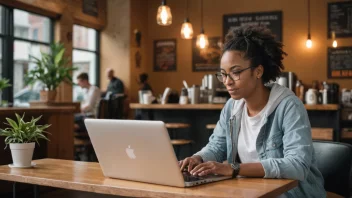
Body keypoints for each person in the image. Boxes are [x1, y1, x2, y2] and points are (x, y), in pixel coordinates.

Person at [179, 25, 326, 197]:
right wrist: (198, 158)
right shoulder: (231, 107)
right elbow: (217, 146)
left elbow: (296, 165)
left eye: (235, 72)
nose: (227, 81)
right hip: (252, 192)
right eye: (223, 74)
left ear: (258, 71)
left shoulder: (288, 106)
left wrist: (234, 169)